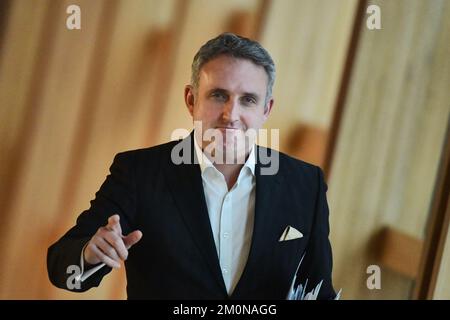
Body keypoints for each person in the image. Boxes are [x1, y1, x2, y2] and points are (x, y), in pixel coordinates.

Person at [47, 32, 336, 299]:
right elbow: (62, 267)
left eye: (247, 100)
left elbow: (318, 289)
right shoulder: (138, 172)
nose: (230, 114)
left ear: (266, 110)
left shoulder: (306, 184)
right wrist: (89, 253)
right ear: (191, 99)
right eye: (219, 95)